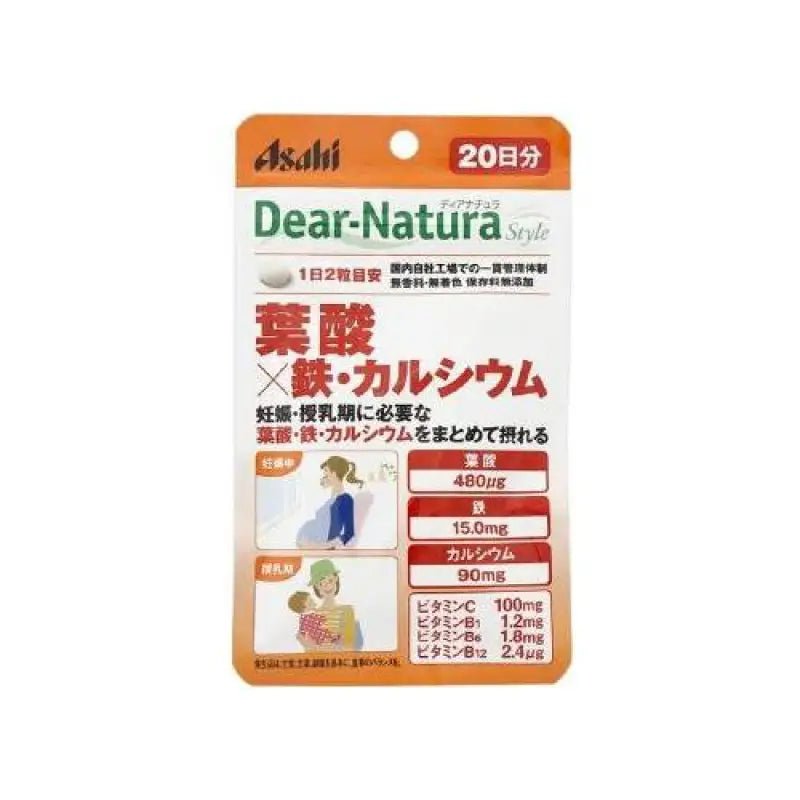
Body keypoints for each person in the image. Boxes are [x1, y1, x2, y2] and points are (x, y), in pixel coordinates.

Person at [319, 456, 363, 548]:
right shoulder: (329, 498)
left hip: (331, 549)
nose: (323, 477)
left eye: (326, 473)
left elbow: (349, 533)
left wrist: (331, 545)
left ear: (334, 474)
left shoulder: (346, 499)